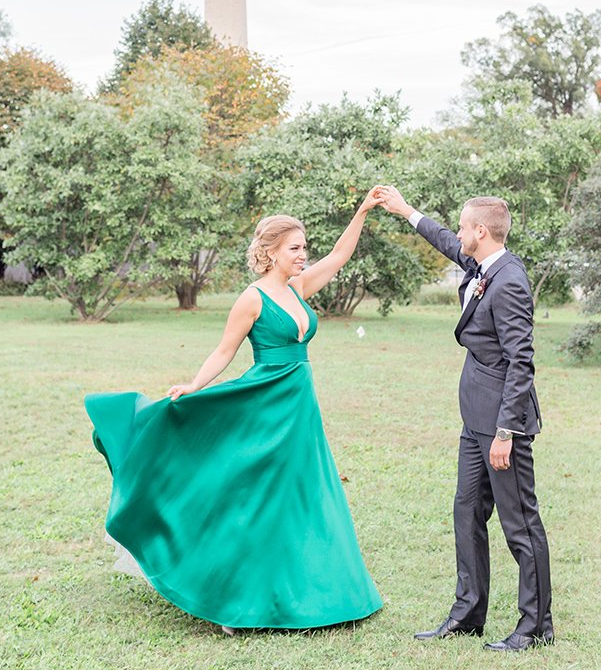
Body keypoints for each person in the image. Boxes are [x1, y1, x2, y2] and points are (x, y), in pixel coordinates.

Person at [84, 194, 385, 633]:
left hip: (299, 408)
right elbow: (225, 350)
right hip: (262, 403)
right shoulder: (252, 299)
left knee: (301, 496)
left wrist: (361, 212)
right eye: (295, 248)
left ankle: (309, 590)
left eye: (304, 247)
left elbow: (339, 256)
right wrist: (193, 385)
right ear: (270, 252)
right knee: (250, 494)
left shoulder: (299, 288)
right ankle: (231, 599)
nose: (304, 255)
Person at [374, 185, 553, 651]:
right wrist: (405, 210)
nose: (457, 233)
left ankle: (535, 627)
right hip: (473, 419)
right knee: (467, 511)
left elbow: (521, 361)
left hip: (501, 426)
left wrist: (505, 431)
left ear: (481, 230)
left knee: (520, 525)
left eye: (462, 226)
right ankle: (468, 614)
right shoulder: (481, 263)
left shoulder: (510, 279)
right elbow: (444, 241)